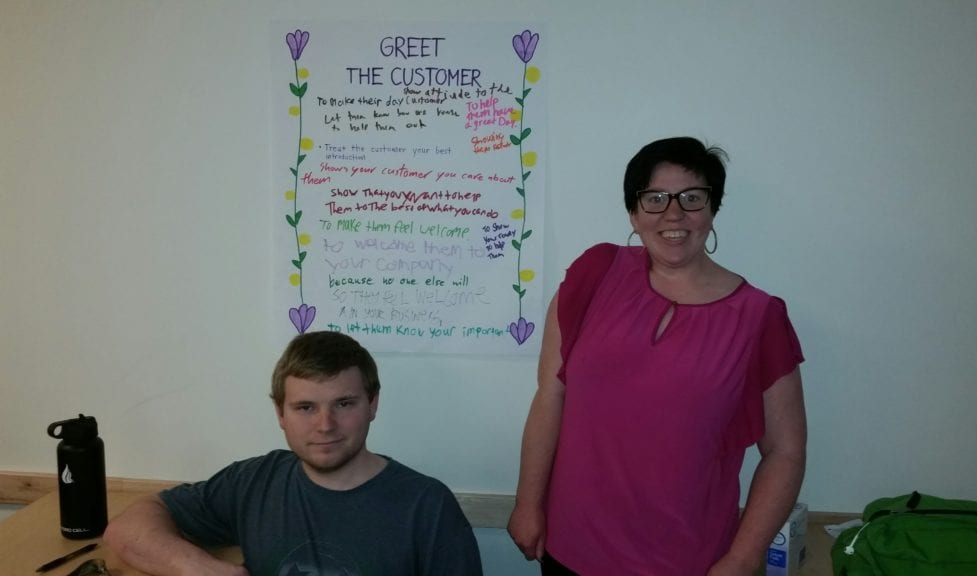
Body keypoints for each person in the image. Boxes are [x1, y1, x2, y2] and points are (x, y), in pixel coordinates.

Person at [507, 137, 807, 576]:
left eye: (692, 197)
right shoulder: (595, 273)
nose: (673, 213)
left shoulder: (759, 317)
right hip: (570, 546)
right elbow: (551, 395)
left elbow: (785, 450)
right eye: (655, 198)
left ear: (712, 209)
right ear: (633, 212)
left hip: (687, 560)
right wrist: (527, 504)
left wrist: (742, 558)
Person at [104, 331, 483, 576]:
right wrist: (198, 567)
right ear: (280, 414)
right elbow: (127, 529)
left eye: (344, 404)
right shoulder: (254, 482)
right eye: (305, 408)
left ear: (373, 404)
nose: (325, 425)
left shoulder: (426, 506)